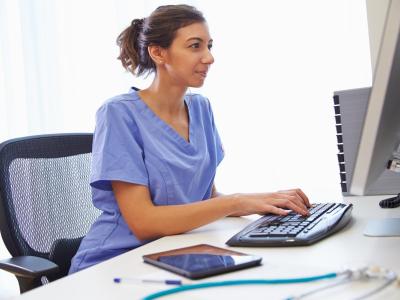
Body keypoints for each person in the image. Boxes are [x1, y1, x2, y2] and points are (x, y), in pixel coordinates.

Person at [69, 4, 310, 274]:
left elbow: (208, 196)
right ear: (158, 53)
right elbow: (143, 222)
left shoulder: (201, 108)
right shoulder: (118, 113)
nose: (209, 57)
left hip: (179, 252)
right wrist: (238, 201)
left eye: (209, 45)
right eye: (195, 46)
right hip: (117, 261)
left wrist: (263, 202)